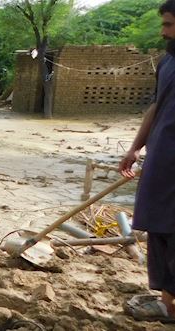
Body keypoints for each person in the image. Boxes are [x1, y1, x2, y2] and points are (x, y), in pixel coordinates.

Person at [119, 0, 175, 322]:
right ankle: (167, 298)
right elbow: (156, 106)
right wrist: (135, 147)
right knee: (157, 224)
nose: (163, 32)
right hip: (161, 157)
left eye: (168, 25)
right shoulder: (167, 63)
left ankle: (169, 304)